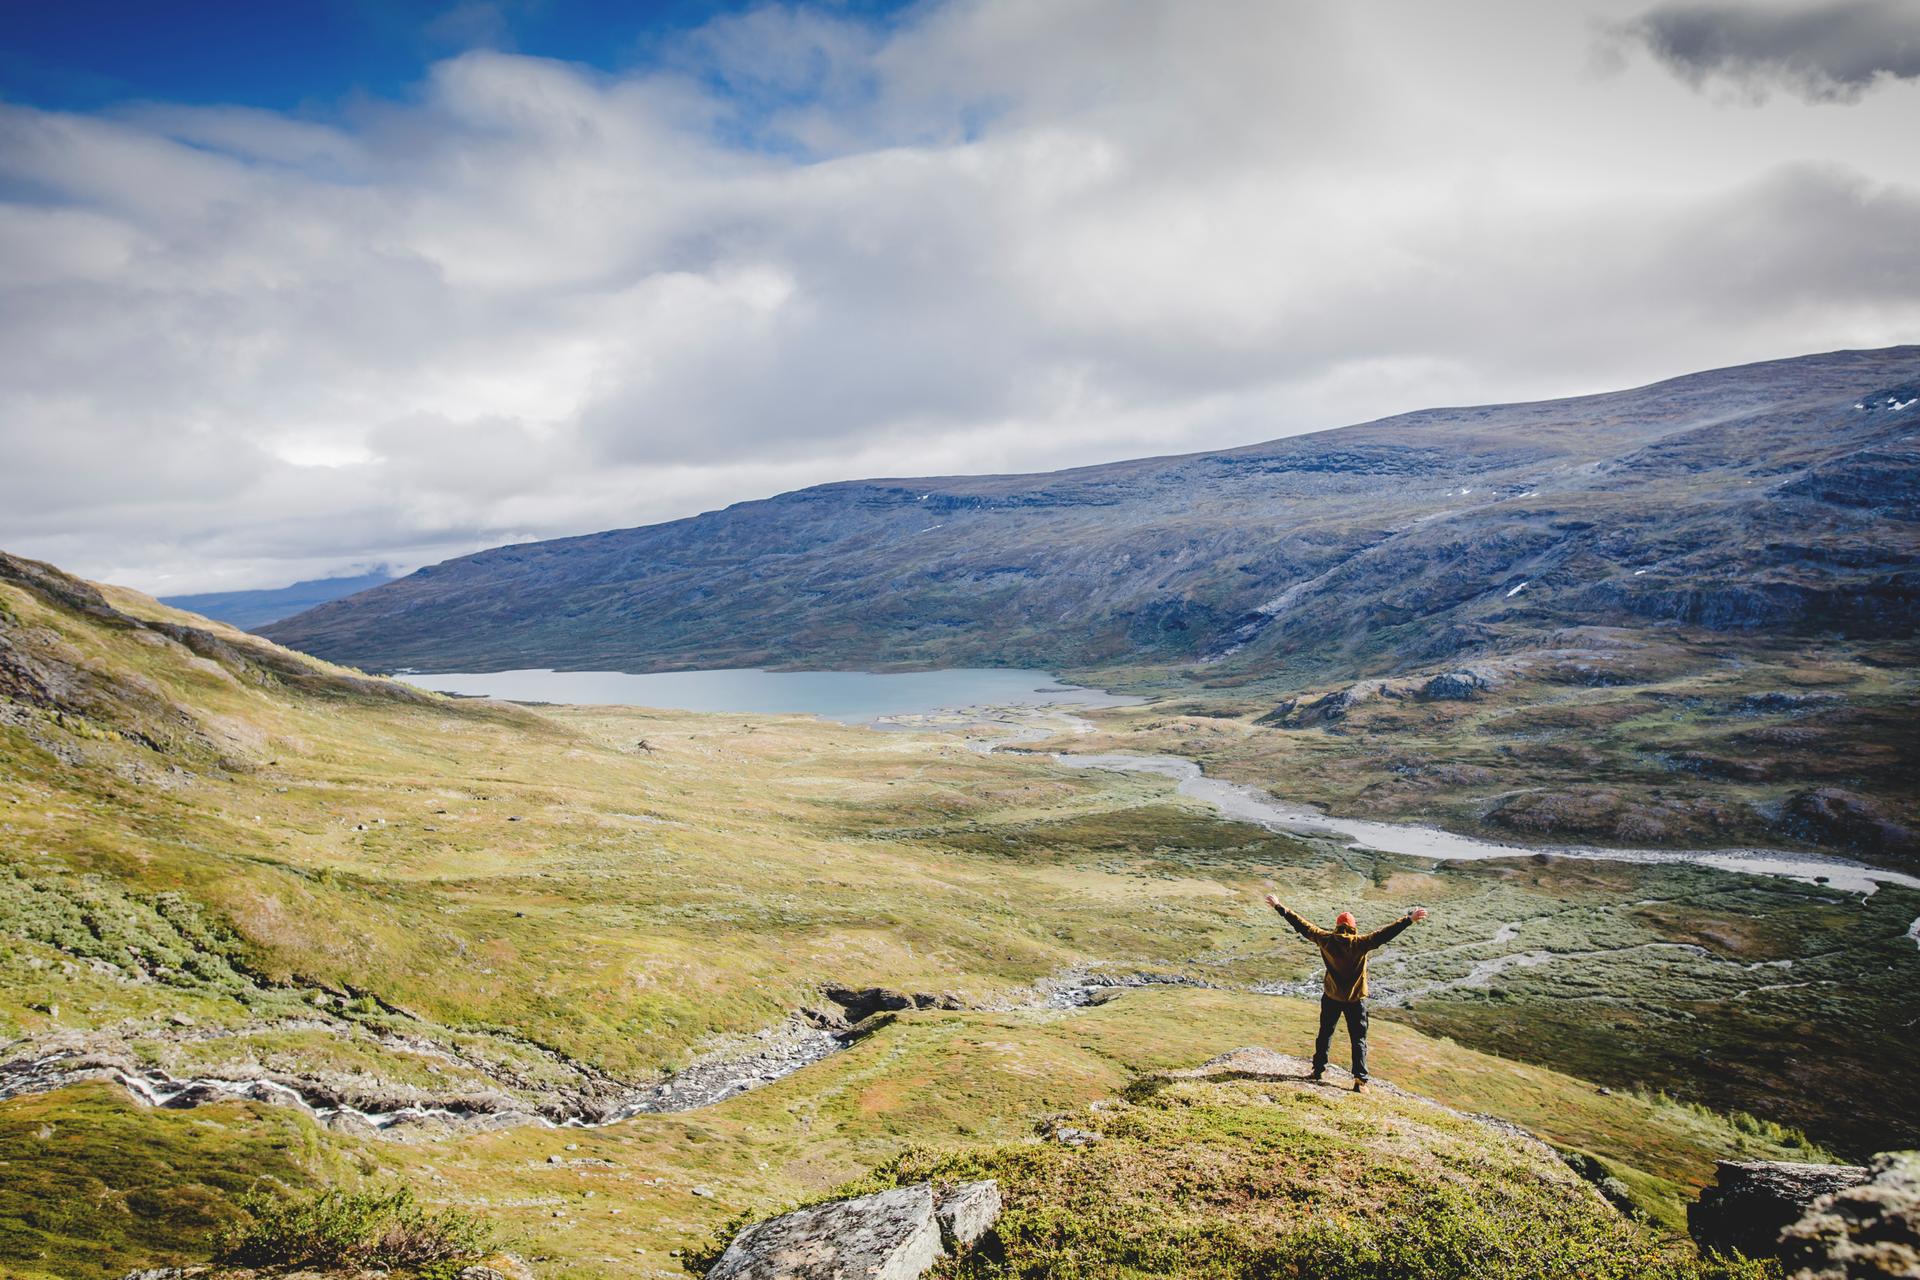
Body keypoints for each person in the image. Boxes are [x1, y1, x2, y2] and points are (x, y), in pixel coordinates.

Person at [1264, 894, 1428, 1092]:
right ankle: (1360, 1081)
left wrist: (1279, 906)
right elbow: (1385, 934)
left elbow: (1302, 925)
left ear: (1337, 926)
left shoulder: (1325, 939)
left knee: (1325, 1033)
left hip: (1331, 997)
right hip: (1355, 1000)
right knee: (1358, 1039)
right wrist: (1409, 920)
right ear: (1353, 927)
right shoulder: (1361, 943)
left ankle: (1317, 1071)